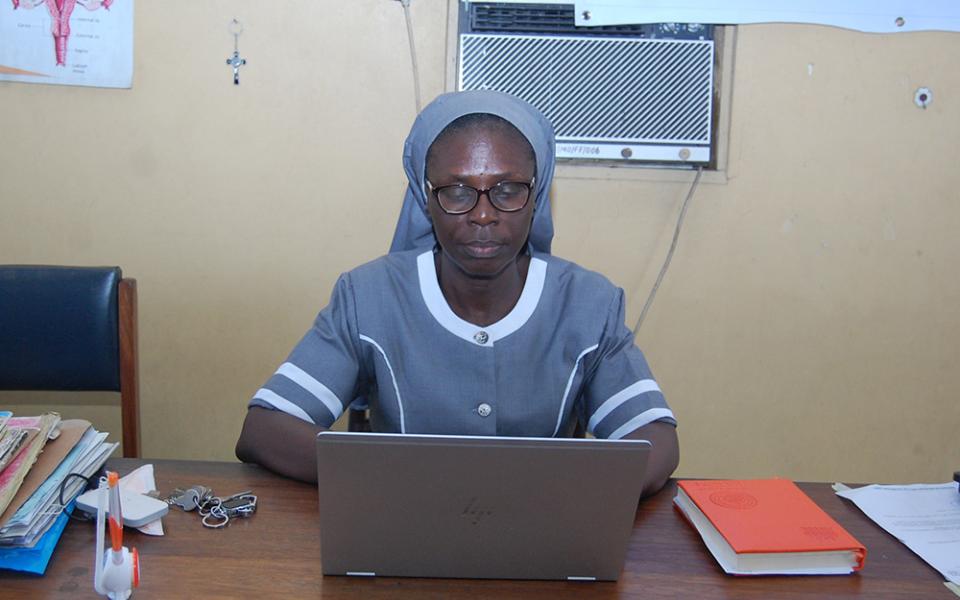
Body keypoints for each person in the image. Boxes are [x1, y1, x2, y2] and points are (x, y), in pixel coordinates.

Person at [236, 90, 679, 497]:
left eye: (508, 190)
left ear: (536, 194)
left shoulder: (587, 303)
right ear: (424, 196)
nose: (483, 215)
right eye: (456, 191)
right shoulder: (369, 296)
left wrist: (552, 488)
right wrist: (411, 476)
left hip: (545, 542)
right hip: (401, 534)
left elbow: (655, 441)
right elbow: (265, 429)